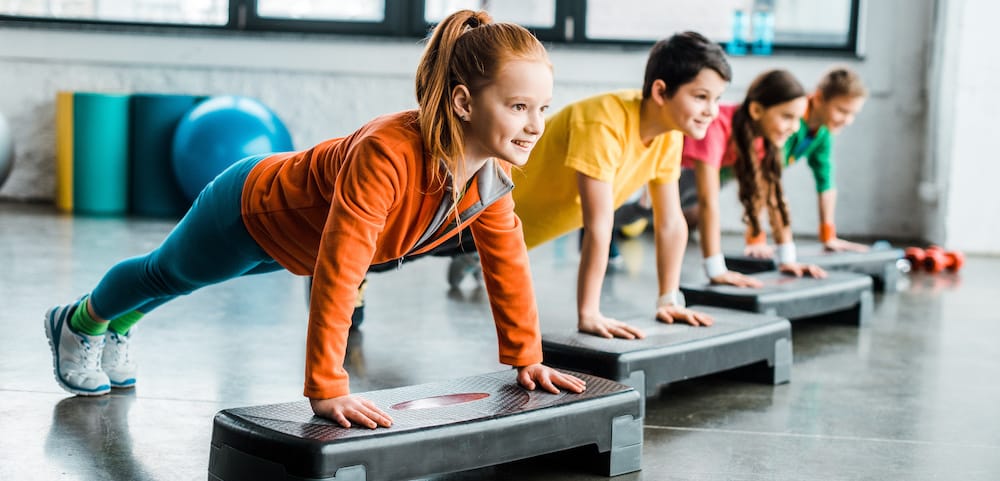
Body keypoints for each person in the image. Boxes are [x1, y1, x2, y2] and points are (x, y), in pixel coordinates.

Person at [43, 10, 585, 429]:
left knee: (188, 280)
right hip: (250, 210)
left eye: (543, 108)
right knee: (166, 274)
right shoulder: (388, 152)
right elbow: (341, 270)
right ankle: (78, 321)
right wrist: (327, 385)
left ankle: (122, 322)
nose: (536, 124)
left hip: (292, 242)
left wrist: (526, 359)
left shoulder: (489, 180)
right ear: (465, 102)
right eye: (519, 107)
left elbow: (506, 263)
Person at [447, 32, 730, 339]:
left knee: (482, 250)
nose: (712, 110)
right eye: (701, 97)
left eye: (717, 99)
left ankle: (473, 259)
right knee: (394, 255)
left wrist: (669, 299)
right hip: (469, 213)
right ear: (661, 92)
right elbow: (598, 226)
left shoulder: (669, 135)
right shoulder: (602, 122)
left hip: (514, 233)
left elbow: (671, 222)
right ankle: (469, 256)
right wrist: (589, 314)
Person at [681, 69, 827, 287]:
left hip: (694, 173)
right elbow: (708, 202)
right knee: (632, 209)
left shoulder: (765, 140)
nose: (795, 128)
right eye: (787, 117)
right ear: (757, 110)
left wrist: (787, 259)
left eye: (798, 119)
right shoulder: (717, 124)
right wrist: (716, 270)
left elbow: (774, 196)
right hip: (666, 170)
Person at [743, 66, 869, 258]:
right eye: (842, 111)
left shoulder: (823, 133)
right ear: (818, 98)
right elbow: (763, 178)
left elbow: (825, 183)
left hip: (740, 174)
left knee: (691, 214)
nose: (847, 120)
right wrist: (755, 238)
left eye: (853, 114)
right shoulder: (790, 118)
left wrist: (828, 236)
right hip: (719, 166)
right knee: (690, 210)